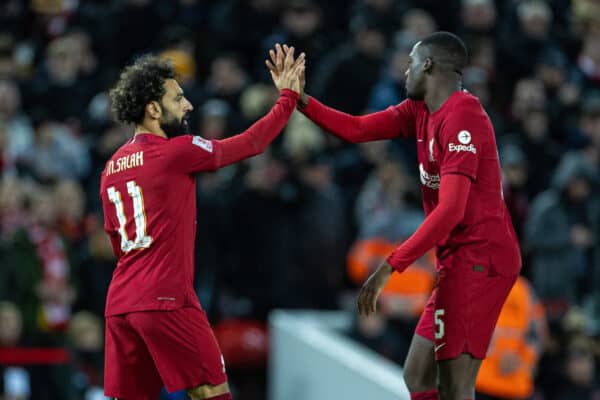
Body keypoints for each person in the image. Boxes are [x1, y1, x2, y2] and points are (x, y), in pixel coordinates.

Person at [267, 32, 521, 400]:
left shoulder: (464, 116)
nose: (405, 72)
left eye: (411, 64)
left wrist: (390, 266)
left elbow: (451, 210)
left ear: (429, 65)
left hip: (483, 259)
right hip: (455, 260)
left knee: (455, 385)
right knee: (417, 376)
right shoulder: (419, 110)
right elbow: (356, 129)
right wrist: (299, 99)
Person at [101, 50, 304, 400]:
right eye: (178, 98)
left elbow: (116, 241)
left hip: (120, 305)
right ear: (153, 108)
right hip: (166, 298)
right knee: (211, 392)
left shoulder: (110, 168)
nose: (189, 105)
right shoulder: (176, 151)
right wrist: (288, 98)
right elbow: (252, 143)